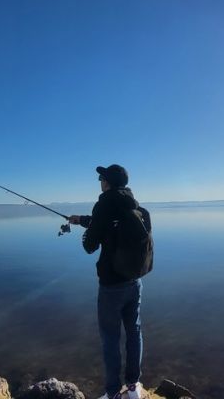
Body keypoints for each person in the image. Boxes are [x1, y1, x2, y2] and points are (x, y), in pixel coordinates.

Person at [69, 164, 148, 399]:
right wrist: (83, 220)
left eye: (101, 178)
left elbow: (89, 246)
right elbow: (113, 225)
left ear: (108, 182)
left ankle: (113, 392)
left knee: (110, 338)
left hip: (112, 286)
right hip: (135, 282)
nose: (100, 182)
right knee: (134, 332)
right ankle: (134, 387)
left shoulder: (104, 204)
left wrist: (89, 230)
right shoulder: (136, 208)